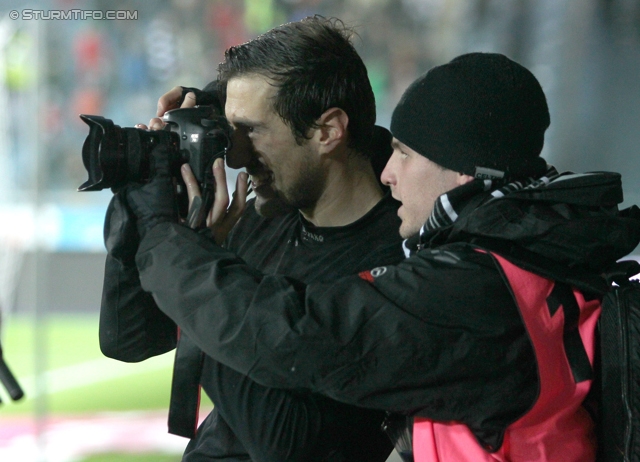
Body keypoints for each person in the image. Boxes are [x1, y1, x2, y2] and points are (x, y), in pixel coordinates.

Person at [119, 52, 640, 461]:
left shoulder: (473, 292)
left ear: (462, 173)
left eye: (406, 154)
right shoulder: (533, 262)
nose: (389, 172)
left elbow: (294, 333)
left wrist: (165, 233)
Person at [100, 16, 404, 462]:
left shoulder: (394, 260)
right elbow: (129, 339)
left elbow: (286, 443)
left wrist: (196, 260)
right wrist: (145, 202)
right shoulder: (268, 217)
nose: (237, 155)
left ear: (328, 131)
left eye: (252, 131)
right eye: (231, 130)